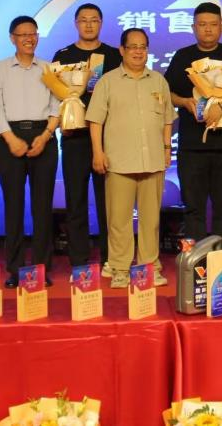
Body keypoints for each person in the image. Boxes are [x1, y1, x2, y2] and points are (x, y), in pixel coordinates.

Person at [87, 28, 175, 288]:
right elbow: (95, 120)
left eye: (143, 47)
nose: (138, 52)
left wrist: (167, 149)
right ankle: (120, 268)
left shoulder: (158, 81)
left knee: (151, 220)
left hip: (153, 160)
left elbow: (167, 118)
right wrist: (98, 152)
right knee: (119, 220)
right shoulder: (108, 81)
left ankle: (150, 266)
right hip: (119, 161)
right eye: (133, 47)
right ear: (122, 50)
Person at [164, 2, 222, 245]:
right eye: (202, 24)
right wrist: (184, 102)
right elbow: (166, 92)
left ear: (221, 27)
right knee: (193, 207)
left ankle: (220, 259)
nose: (208, 29)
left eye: (213, 24)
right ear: (194, 27)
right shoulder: (183, 56)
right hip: (193, 147)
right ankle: (197, 260)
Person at [0, 16, 61, 288]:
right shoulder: (0, 69)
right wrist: (10, 139)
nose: (29, 39)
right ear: (12, 38)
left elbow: (57, 104)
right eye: (23, 35)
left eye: (33, 34)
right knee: (14, 206)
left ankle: (41, 268)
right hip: (10, 138)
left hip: (44, 137)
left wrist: (45, 136)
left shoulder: (48, 68)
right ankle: (15, 269)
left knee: (43, 207)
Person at [51, 3, 122, 272]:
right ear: (76, 24)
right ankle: (79, 260)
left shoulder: (113, 55)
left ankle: (110, 258)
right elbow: (54, 94)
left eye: (94, 20)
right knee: (76, 200)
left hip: (108, 138)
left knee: (109, 203)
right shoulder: (64, 55)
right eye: (83, 20)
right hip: (74, 138)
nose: (89, 24)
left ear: (101, 23)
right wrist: (60, 123)